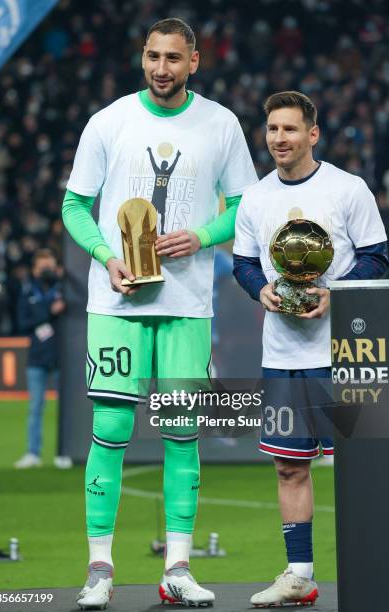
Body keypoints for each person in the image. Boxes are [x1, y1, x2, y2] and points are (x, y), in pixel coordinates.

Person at [62, 18, 257, 610]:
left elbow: (246, 206)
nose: (161, 67)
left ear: (194, 60)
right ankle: (100, 567)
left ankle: (177, 567)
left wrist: (201, 237)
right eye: (152, 56)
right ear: (142, 58)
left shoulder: (220, 123)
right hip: (116, 300)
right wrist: (103, 255)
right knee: (113, 429)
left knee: (181, 435)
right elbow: (75, 205)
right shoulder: (110, 120)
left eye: (174, 57)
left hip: (186, 307)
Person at [233, 90, 388, 608]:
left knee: (366, 465)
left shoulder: (348, 189)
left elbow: (377, 257)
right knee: (289, 467)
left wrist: (332, 293)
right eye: (273, 129)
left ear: (312, 134)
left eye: (290, 129)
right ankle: (299, 575)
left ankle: (378, 568)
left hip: (348, 354)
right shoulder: (255, 198)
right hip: (283, 355)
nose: (280, 138)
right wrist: (262, 289)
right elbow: (244, 264)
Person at [14, 249, 66, 468]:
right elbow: (21, 324)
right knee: (36, 407)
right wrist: (49, 312)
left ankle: (65, 453)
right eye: (42, 267)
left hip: (63, 356)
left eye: (50, 266)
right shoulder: (27, 293)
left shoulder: (66, 290)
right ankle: (33, 453)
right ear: (35, 270)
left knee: (67, 409)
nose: (46, 271)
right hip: (37, 358)